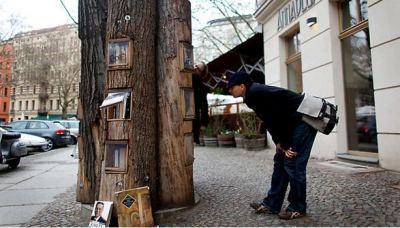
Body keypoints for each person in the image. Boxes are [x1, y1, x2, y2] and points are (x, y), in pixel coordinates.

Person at [227, 71, 317, 220]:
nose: (229, 90)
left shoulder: (256, 93)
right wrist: (279, 143)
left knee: (293, 164)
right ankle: (272, 204)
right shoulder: (252, 94)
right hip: (293, 124)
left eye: (231, 87)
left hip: (303, 122)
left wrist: (286, 144)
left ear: (242, 86)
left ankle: (298, 207)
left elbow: (278, 118)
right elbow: (270, 120)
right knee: (280, 162)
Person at [192, 61, 210, 145]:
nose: (195, 68)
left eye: (198, 68)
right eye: (195, 65)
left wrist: (203, 123)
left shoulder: (202, 88)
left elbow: (204, 106)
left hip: (192, 118)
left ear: (201, 73)